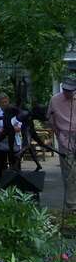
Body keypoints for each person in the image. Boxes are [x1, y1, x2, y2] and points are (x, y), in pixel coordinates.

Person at [47, 75, 76, 209]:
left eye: (70, 91)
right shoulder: (55, 100)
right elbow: (51, 120)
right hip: (65, 136)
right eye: (66, 90)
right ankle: (71, 204)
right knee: (69, 172)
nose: (68, 93)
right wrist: (59, 135)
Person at [0, 92, 22, 182]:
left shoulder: (15, 112)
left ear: (8, 101)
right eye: (2, 102)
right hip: (1, 145)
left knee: (15, 165)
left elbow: (19, 127)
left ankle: (17, 184)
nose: (4, 104)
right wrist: (11, 128)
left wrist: (6, 129)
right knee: (1, 167)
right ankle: (1, 186)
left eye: (6, 102)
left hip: (14, 144)